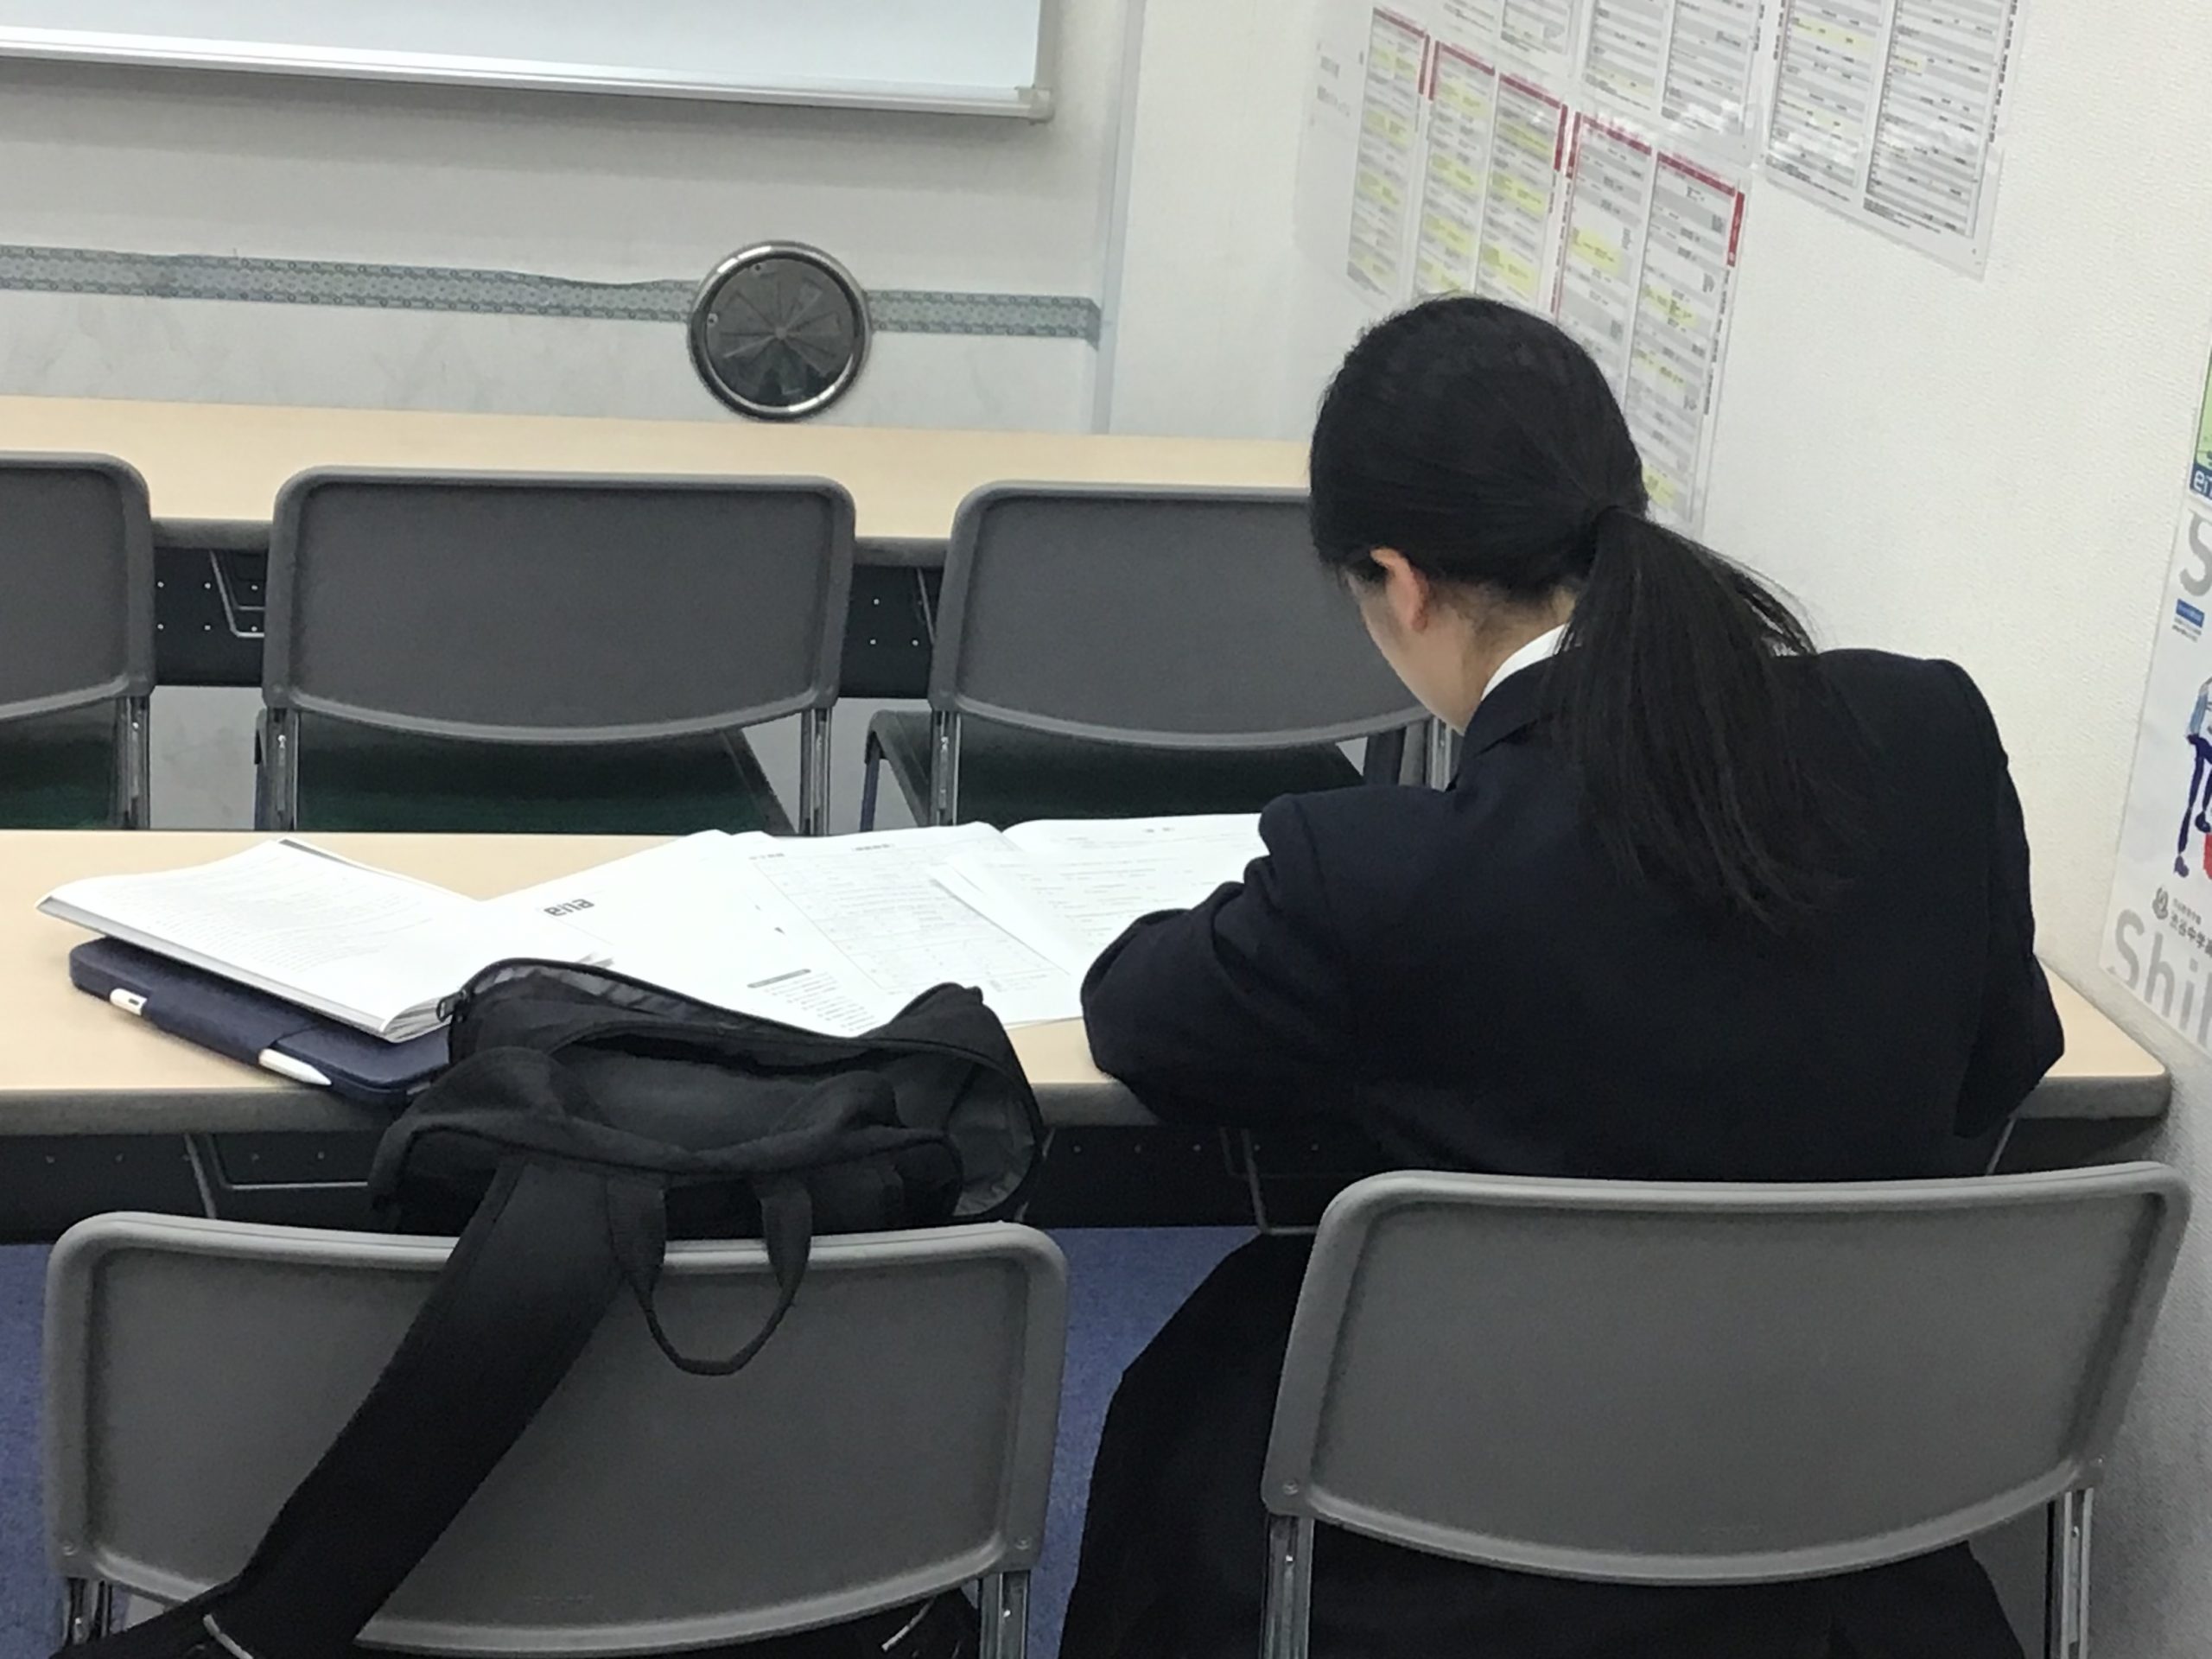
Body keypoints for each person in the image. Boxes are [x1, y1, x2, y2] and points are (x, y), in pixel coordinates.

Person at [1057, 297, 2063, 1659]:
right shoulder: (1929, 738)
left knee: (1209, 1380)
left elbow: (1141, 1018)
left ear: (1400, 582)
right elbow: (2006, 1064)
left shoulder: (1385, 880)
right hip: (1834, 1517)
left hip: (1447, 1558)